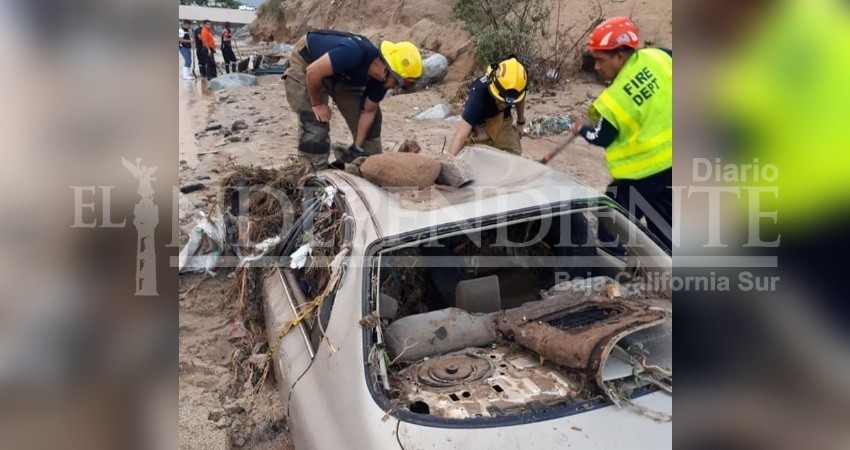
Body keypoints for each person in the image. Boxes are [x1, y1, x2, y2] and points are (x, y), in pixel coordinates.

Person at [570, 17, 673, 249]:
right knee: (663, 214)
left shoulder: (615, 98)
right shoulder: (657, 56)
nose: (596, 67)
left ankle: (612, 259)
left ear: (619, 56)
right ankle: (670, 263)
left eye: (600, 60)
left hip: (645, 169)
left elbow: (601, 136)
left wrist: (582, 129)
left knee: (613, 211)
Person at [283, 30, 422, 169]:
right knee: (315, 123)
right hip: (309, 62)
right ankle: (313, 172)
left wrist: (358, 148)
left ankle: (366, 167)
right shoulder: (353, 53)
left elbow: (368, 112)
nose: (396, 88)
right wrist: (317, 104)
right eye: (398, 83)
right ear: (387, 69)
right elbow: (313, 71)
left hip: (343, 72)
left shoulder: (381, 80)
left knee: (371, 126)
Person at [447, 56, 528, 157]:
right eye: (500, 100)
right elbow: (461, 133)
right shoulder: (479, 93)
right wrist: (449, 160)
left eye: (507, 103)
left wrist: (520, 122)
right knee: (468, 157)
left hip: (502, 121)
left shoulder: (517, 86)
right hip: (480, 127)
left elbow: (520, 98)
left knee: (514, 157)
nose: (503, 105)